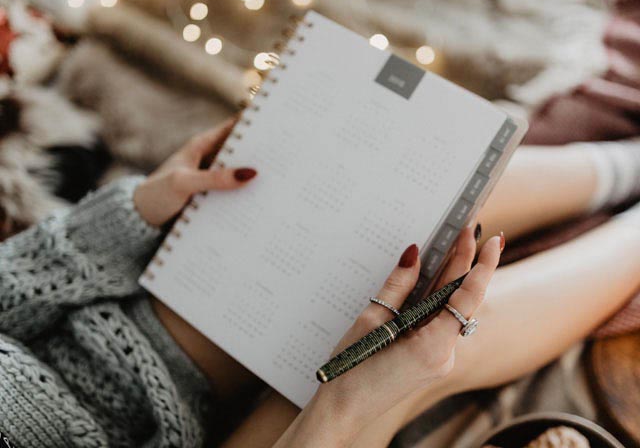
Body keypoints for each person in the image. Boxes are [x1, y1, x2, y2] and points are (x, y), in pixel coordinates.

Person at [1, 117, 639, 447]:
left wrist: (139, 208)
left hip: (126, 333)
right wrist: (344, 404)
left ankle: (620, 166)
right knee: (424, 347)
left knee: (389, 219)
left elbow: (11, 287)